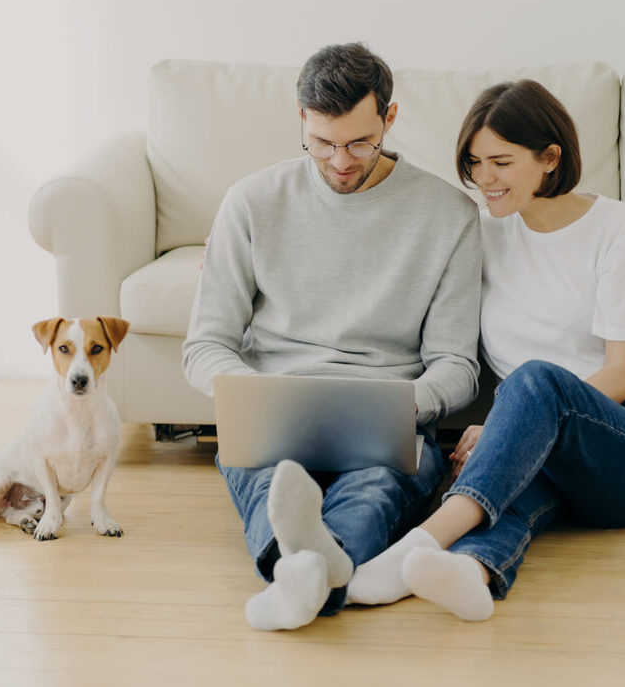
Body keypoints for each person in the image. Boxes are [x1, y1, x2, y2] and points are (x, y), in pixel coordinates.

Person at [346, 79, 625, 621]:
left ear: (550, 157)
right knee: (513, 485)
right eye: (475, 162)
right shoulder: (481, 233)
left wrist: (513, 418)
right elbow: (389, 264)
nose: (484, 179)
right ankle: (471, 573)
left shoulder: (623, 229)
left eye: (501, 162)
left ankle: (418, 544)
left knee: (533, 380)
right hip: (546, 450)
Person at [181, 43, 482, 631]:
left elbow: (456, 363)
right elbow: (205, 344)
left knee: (376, 489)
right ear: (301, 119)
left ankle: (295, 578)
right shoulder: (251, 201)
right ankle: (312, 574)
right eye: (322, 142)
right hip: (273, 406)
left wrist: (407, 404)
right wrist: (253, 396)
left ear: (389, 120)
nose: (340, 160)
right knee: (268, 480)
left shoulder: (449, 215)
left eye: (358, 142)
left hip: (387, 417)